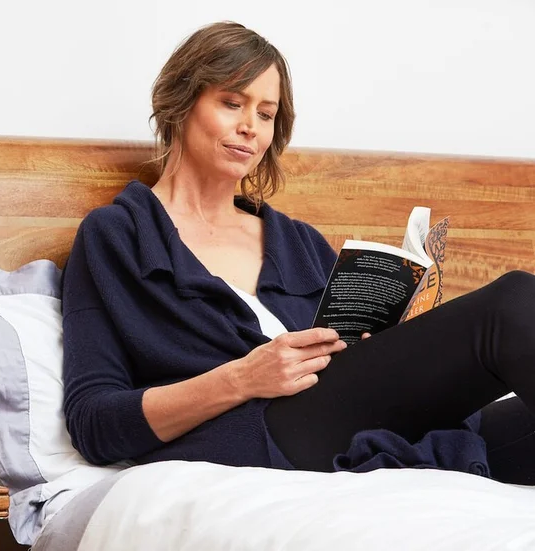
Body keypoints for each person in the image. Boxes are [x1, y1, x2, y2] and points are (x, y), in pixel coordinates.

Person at [60, 21, 535, 483]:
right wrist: (243, 378)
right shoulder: (117, 235)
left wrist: (383, 344)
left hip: (345, 421)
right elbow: (93, 423)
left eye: (266, 115)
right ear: (180, 103)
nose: (249, 127)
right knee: (513, 303)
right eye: (231, 103)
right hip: (253, 433)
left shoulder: (297, 241)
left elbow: (353, 364)